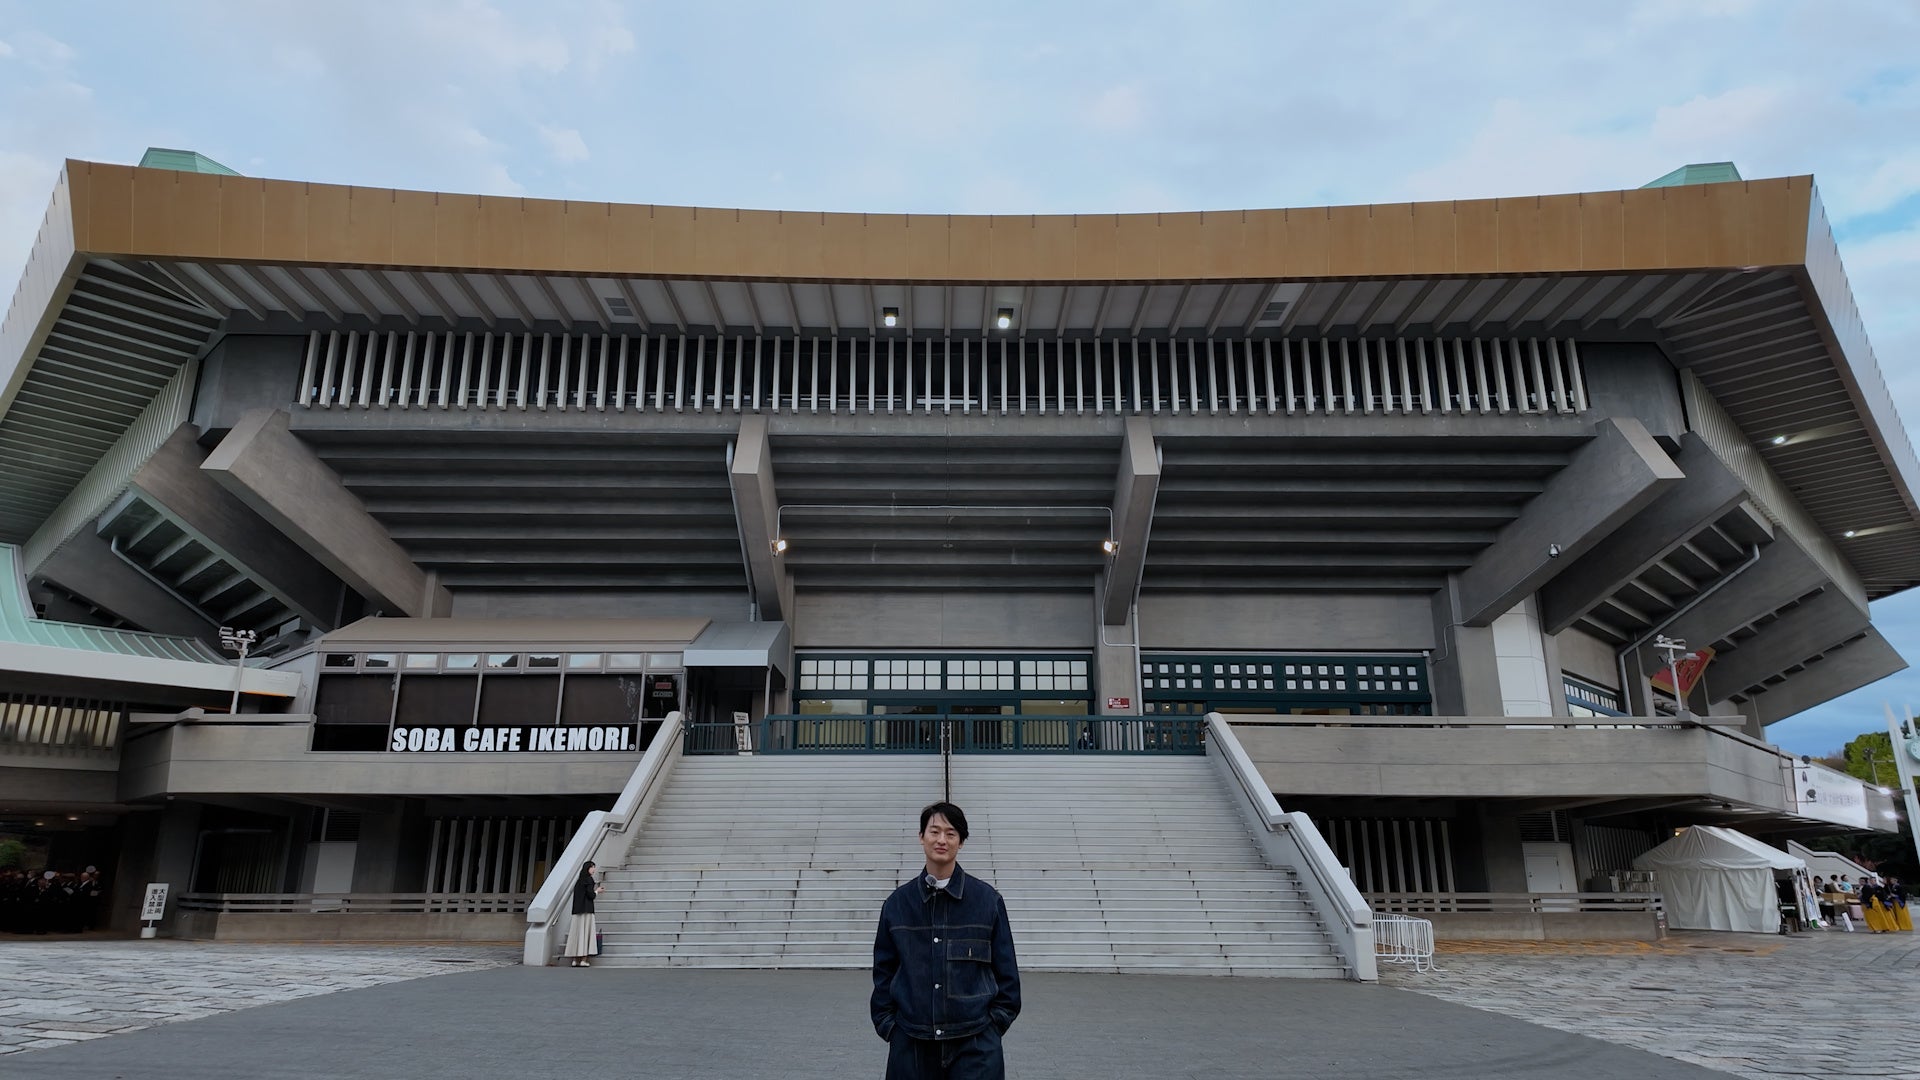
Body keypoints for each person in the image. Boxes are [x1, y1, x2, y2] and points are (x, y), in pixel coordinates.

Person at [872, 802, 1020, 1079]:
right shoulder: (897, 905)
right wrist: (889, 1026)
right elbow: (884, 972)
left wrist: (994, 1025)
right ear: (921, 836)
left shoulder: (988, 902)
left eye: (951, 833)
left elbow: (1007, 975)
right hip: (912, 1045)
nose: (942, 840)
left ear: (961, 842)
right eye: (934, 831)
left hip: (975, 1045)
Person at [565, 861, 603, 967]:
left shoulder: (579, 881)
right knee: (586, 935)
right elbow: (590, 895)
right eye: (592, 867)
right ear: (588, 868)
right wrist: (597, 891)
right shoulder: (589, 880)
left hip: (577, 911)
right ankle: (583, 960)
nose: (594, 869)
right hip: (587, 911)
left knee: (577, 935)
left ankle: (575, 959)